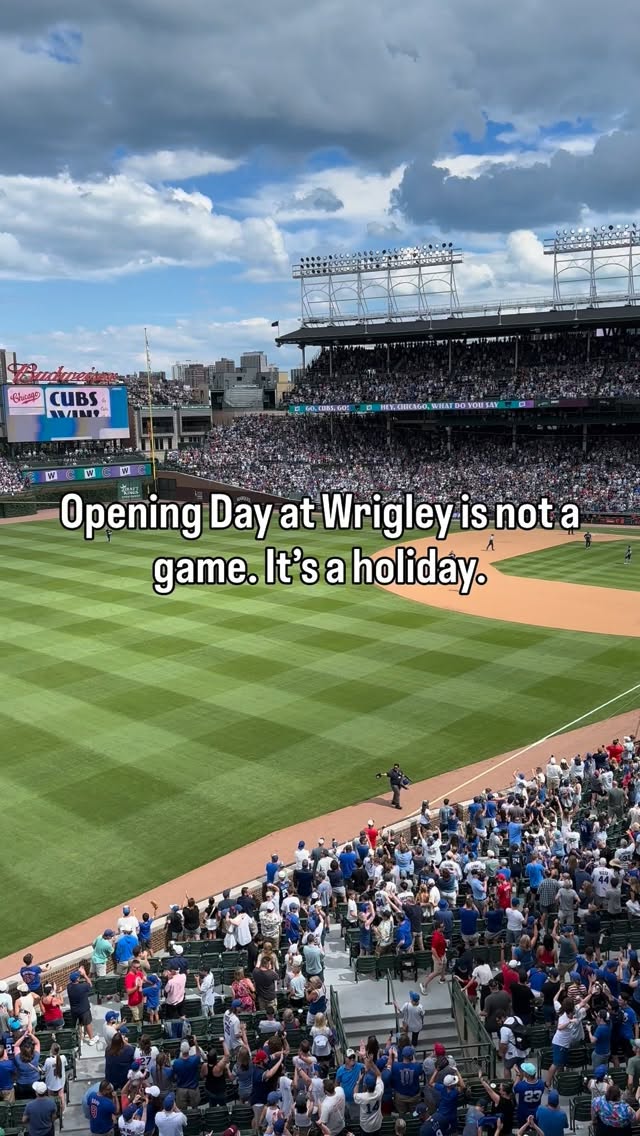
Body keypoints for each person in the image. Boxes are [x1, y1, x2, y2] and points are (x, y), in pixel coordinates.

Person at [67, 968, 97, 1045]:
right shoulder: (82, 987)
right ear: (77, 979)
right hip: (84, 1010)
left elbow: (72, 981)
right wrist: (85, 975)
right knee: (88, 1023)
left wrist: (78, 973)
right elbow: (90, 984)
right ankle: (91, 1039)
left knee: (79, 1024)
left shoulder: (69, 987)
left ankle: (80, 1040)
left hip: (74, 1010)